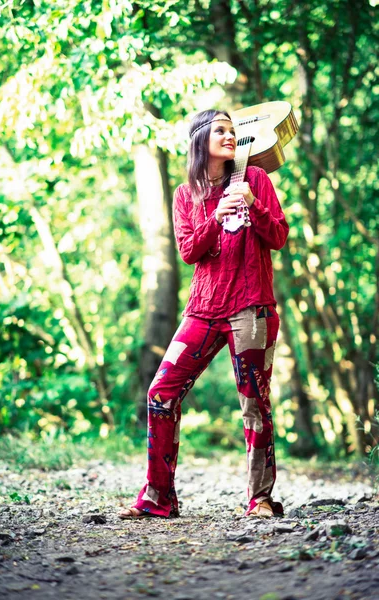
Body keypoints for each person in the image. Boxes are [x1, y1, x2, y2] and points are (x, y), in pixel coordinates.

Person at [119, 109, 289, 520]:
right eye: (220, 130)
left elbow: (279, 236)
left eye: (233, 130)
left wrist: (253, 205)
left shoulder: (255, 180)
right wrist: (216, 217)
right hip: (204, 310)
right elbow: (190, 251)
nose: (230, 136)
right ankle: (159, 496)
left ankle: (259, 499)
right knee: (161, 393)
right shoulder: (185, 195)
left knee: (254, 402)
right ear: (199, 141)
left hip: (252, 307)